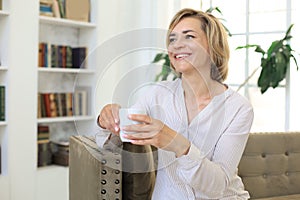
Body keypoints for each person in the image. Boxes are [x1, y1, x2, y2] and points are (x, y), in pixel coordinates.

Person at [97, 8, 254, 200]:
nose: (176, 45)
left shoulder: (238, 108)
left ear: (212, 46)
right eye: (172, 39)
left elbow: (218, 186)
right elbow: (115, 135)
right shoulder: (158, 93)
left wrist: (178, 145)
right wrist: (106, 118)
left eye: (189, 37)